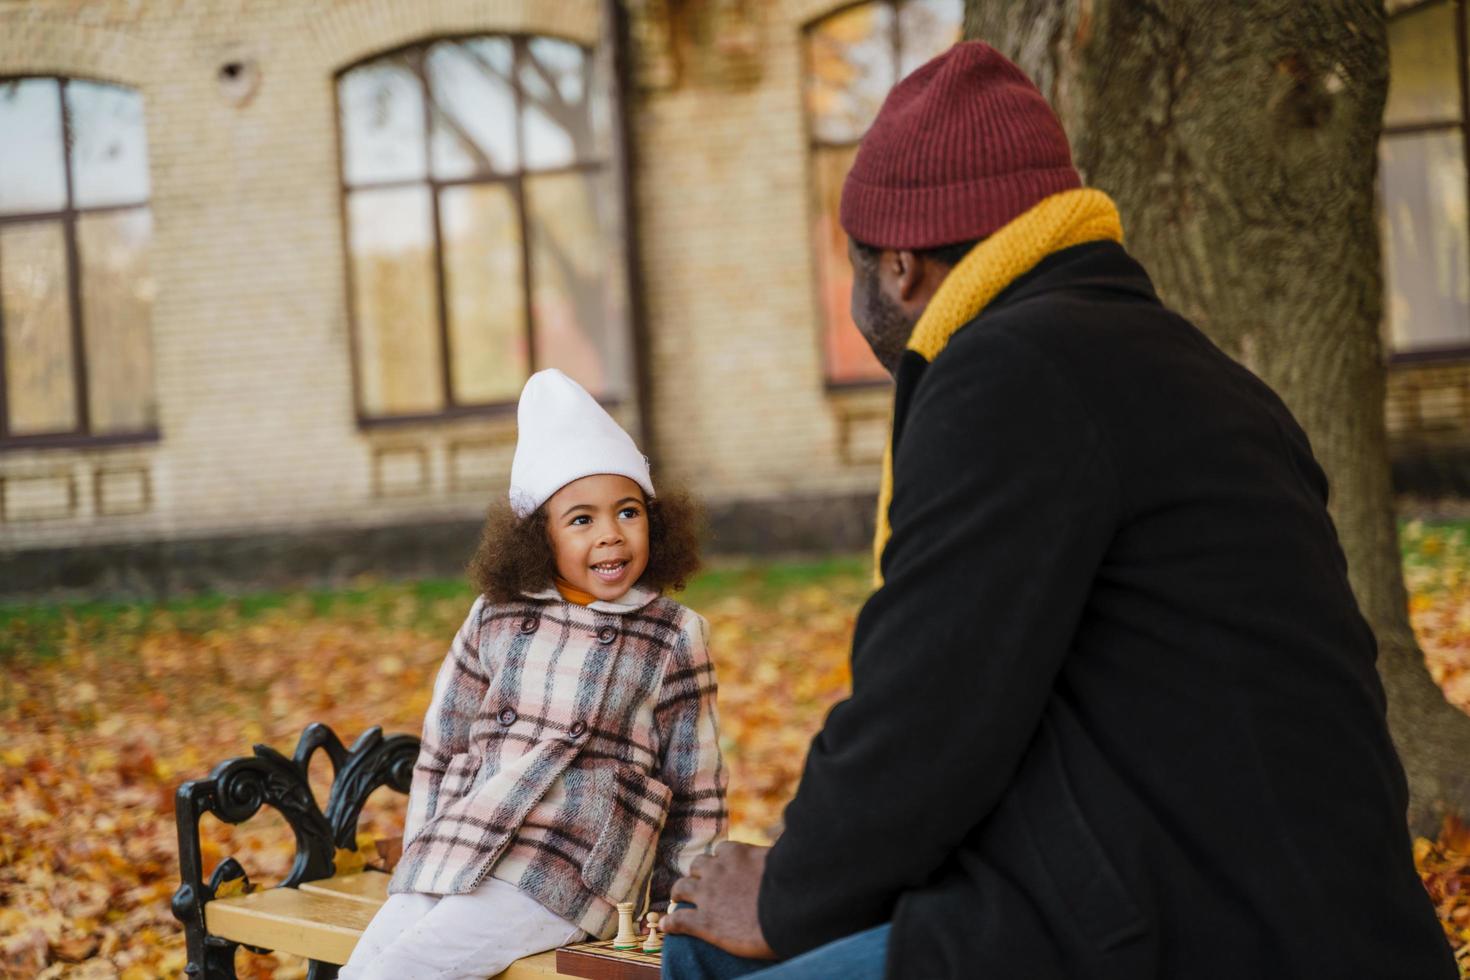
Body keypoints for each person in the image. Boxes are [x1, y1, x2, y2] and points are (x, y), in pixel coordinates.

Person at [659, 41, 1456, 980]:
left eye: (857, 265)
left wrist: (789, 892)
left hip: (1185, 932)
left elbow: (927, 712)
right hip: (1280, 910)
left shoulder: (1009, 376)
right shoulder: (1193, 371)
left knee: (704, 954)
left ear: (902, 268)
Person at [342, 369, 727, 980]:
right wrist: (421, 849)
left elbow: (696, 788)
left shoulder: (673, 633)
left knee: (402, 972)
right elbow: (442, 746)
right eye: (581, 519)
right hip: (467, 840)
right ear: (537, 536)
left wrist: (676, 907)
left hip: (573, 865)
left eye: (628, 512)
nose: (610, 535)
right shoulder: (495, 615)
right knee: (367, 962)